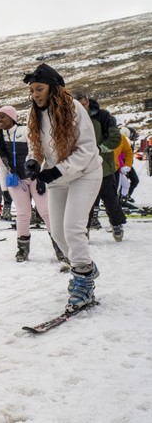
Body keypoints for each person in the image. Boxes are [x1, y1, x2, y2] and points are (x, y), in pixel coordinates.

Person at [23, 63, 101, 313]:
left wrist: (57, 170)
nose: (35, 94)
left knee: (73, 228)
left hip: (85, 174)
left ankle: (82, 279)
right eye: (32, 90)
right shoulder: (34, 112)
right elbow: (34, 142)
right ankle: (85, 266)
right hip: (59, 178)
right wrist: (33, 161)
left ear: (53, 88)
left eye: (39, 88)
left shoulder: (74, 108)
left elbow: (88, 149)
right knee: (57, 231)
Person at [0, 105, 63, 263]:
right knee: (23, 214)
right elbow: (1, 164)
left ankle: (60, 247)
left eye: (3, 116)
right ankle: (22, 249)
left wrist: (35, 172)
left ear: (12, 117)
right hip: (16, 180)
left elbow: (35, 152)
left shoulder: (25, 132)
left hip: (34, 177)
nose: (0, 120)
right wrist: (4, 189)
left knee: (46, 212)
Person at [73, 94, 125, 240]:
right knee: (85, 201)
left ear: (87, 103)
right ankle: (84, 229)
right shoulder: (71, 118)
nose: (80, 108)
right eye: (77, 105)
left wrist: (99, 149)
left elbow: (115, 138)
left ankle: (116, 224)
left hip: (103, 166)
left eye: (83, 105)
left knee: (110, 198)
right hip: (81, 167)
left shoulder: (103, 116)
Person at [115, 127, 139, 204]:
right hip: (120, 167)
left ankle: (124, 198)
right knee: (118, 185)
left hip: (124, 166)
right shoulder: (121, 140)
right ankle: (115, 200)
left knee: (126, 184)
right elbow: (120, 156)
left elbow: (128, 154)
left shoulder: (125, 141)